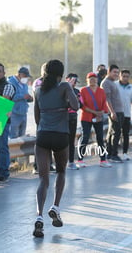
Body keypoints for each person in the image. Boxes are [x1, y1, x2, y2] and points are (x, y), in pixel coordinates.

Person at [33, 59, 79, 238]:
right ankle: (55, 207)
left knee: (43, 180)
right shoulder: (64, 87)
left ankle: (39, 216)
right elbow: (76, 106)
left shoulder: (37, 90)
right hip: (61, 135)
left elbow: (37, 119)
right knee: (61, 172)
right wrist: (67, 98)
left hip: (43, 135)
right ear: (61, 72)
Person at [77, 72, 110, 168]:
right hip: (86, 117)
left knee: (100, 138)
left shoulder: (101, 91)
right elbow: (82, 105)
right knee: (85, 138)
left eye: (94, 78)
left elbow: (104, 103)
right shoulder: (83, 90)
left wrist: (102, 113)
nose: (93, 80)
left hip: (98, 118)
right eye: (90, 79)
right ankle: (80, 159)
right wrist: (95, 112)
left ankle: (103, 160)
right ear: (87, 80)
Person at [101, 64, 124, 162]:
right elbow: (107, 99)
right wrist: (112, 112)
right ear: (108, 72)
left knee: (112, 133)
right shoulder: (106, 83)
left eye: (118, 72)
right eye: (114, 72)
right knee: (116, 133)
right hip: (115, 112)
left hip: (118, 111)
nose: (116, 74)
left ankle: (109, 154)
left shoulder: (112, 82)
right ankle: (114, 154)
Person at [116, 69, 132, 160]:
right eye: (123, 76)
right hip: (117, 113)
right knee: (116, 134)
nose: (125, 78)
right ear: (120, 76)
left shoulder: (131, 87)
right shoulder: (115, 85)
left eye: (127, 76)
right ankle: (114, 153)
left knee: (126, 134)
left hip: (127, 114)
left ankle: (125, 153)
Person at [8, 66, 33, 139]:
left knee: (22, 137)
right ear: (19, 74)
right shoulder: (10, 82)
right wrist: (22, 96)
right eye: (25, 76)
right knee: (14, 137)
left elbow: (25, 94)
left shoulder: (24, 84)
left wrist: (29, 98)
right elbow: (9, 97)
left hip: (23, 113)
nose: (26, 78)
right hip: (14, 114)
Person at [65, 73, 81, 170]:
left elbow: (80, 105)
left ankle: (71, 161)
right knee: (62, 139)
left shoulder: (77, 91)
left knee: (71, 140)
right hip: (63, 117)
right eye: (73, 81)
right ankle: (61, 161)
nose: (74, 83)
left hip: (73, 116)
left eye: (75, 82)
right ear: (67, 79)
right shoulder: (62, 89)